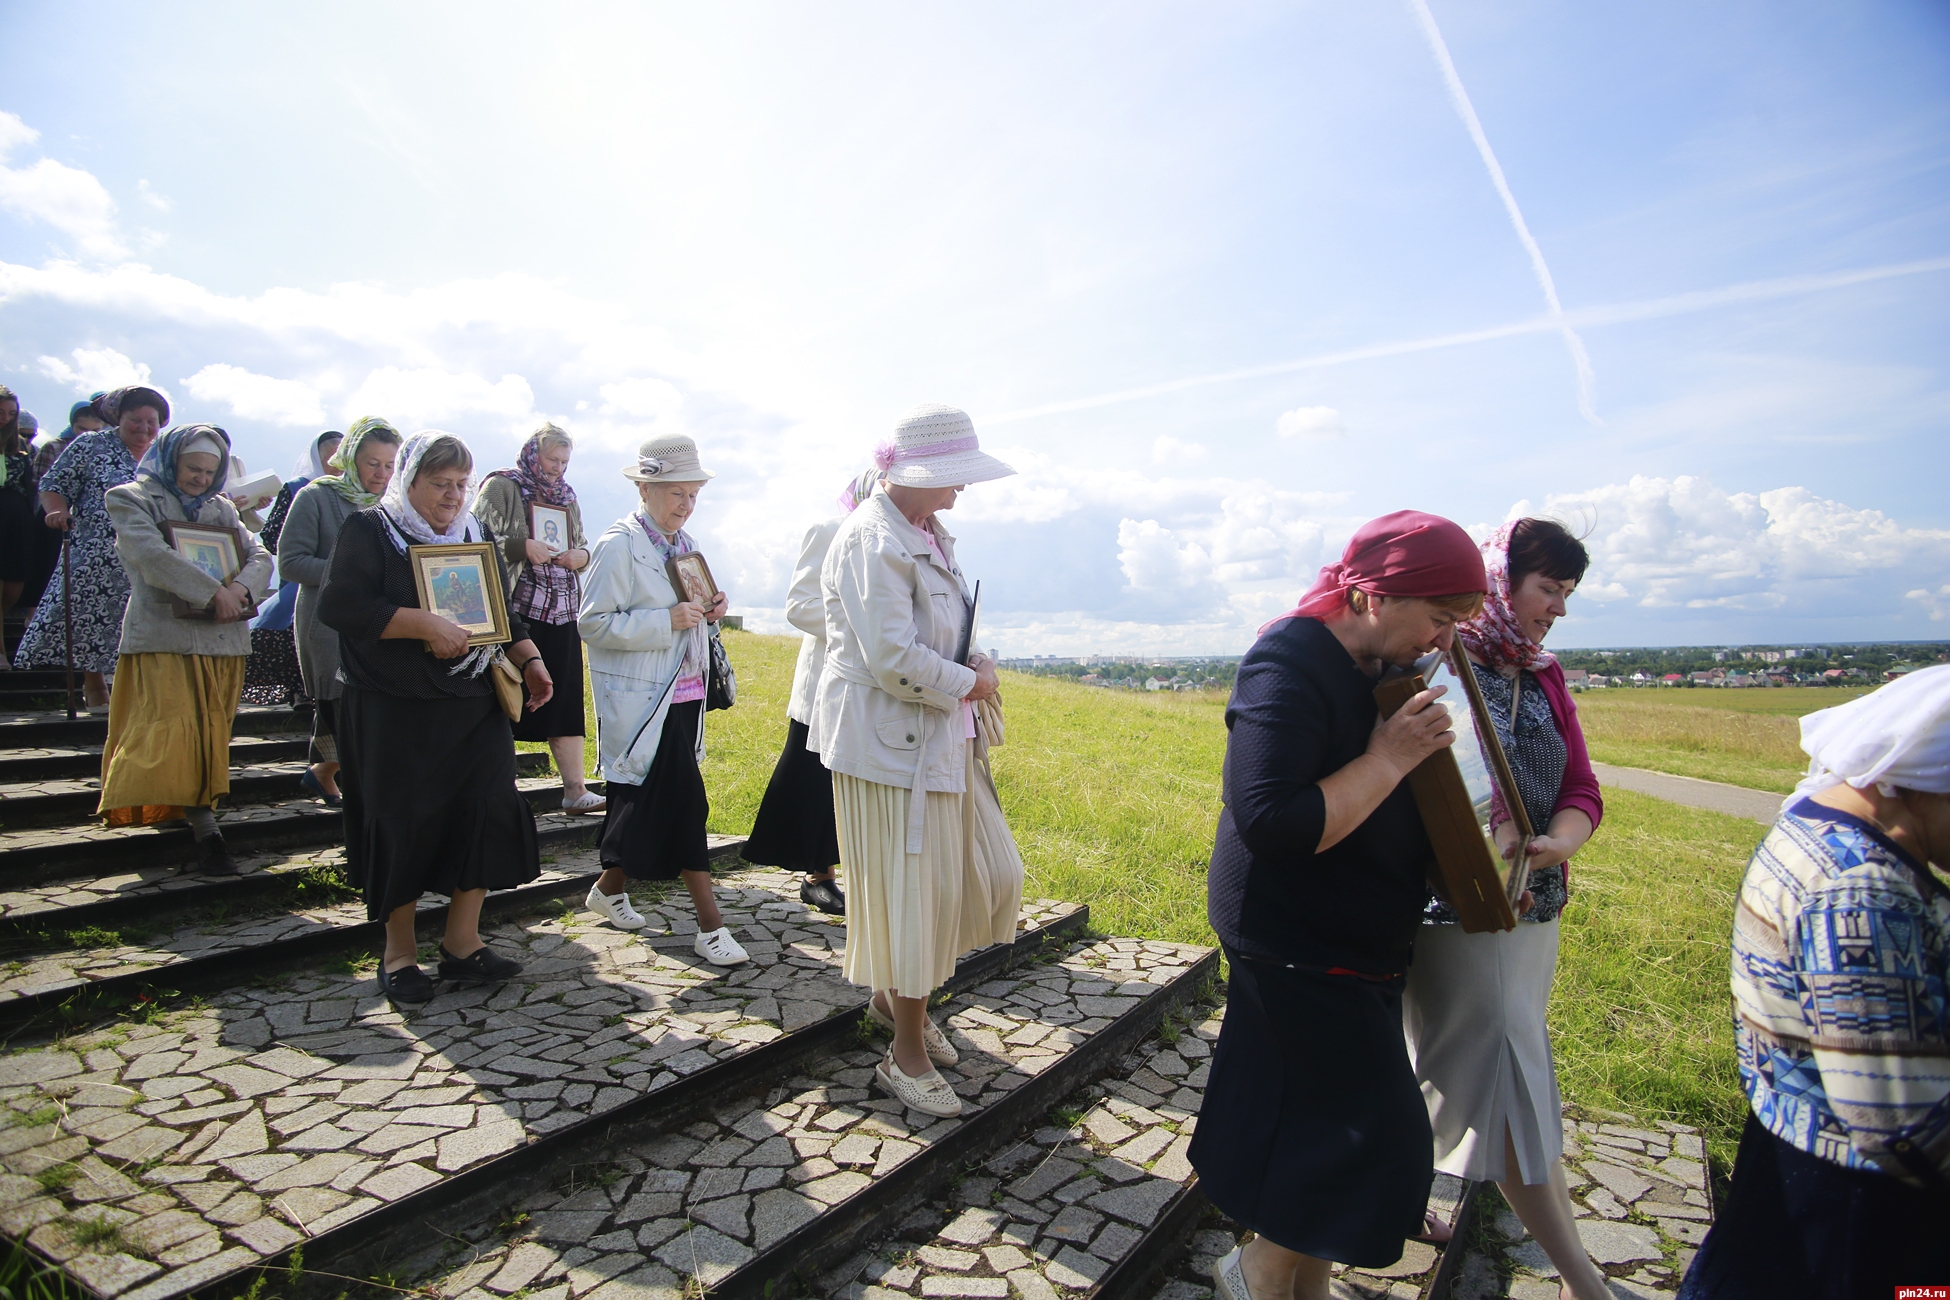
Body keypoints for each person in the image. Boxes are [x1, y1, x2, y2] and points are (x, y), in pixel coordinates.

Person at [1189, 510, 1487, 1300]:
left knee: (1320, 1133)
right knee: (1374, 1136)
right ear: (1371, 596)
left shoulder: (1376, 664)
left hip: (1359, 939)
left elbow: (1390, 806)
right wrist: (1391, 757)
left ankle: (1306, 1288)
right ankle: (1256, 1271)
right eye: (1441, 616)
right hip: (1294, 936)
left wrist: (1465, 869)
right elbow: (1275, 823)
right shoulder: (1287, 662)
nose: (1447, 638)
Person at [1677, 667, 1950, 1298]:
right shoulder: (1862, 889)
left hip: (1789, 1153)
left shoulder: (1817, 821)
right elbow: (1901, 1123)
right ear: (1925, 781)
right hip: (1856, 1212)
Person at [1399, 519, 1611, 1300]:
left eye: (1568, 593)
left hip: (1534, 913)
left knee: (1447, 1066)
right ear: (1501, 581)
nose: (1559, 608)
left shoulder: (1545, 675)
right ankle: (1583, 1280)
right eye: (1548, 588)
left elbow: (1582, 785)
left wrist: (1561, 841)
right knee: (1510, 1084)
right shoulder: (1435, 661)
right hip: (1455, 916)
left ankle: (1401, 1194)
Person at [809, 405, 1026, 1119]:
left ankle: (893, 1003)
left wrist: (975, 662)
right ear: (915, 472)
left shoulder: (925, 531)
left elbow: (942, 630)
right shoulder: (871, 540)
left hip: (935, 737)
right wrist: (972, 683)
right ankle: (904, 1052)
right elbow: (893, 659)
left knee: (975, 879)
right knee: (914, 897)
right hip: (888, 747)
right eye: (955, 475)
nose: (963, 488)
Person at [315, 431, 554, 1005]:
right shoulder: (371, 529)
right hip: (394, 708)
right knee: (403, 823)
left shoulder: (475, 534)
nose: (453, 495)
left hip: (472, 704)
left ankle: (462, 944)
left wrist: (531, 660)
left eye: (461, 484)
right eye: (440, 483)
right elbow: (340, 605)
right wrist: (422, 624)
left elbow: (501, 613)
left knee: (485, 811)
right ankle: (399, 954)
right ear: (410, 481)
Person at [577, 435, 749, 961]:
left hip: (684, 695)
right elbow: (592, 623)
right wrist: (664, 621)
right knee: (685, 805)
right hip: (643, 701)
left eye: (693, 494)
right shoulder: (617, 545)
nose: (686, 504)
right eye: (677, 492)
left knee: (650, 803)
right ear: (644, 489)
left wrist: (710, 610)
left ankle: (608, 889)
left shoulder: (684, 544)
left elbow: (690, 613)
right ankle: (710, 925)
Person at [99, 425, 273, 873]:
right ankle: (206, 830)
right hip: (165, 637)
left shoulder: (221, 507)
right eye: (192, 468)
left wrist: (238, 591)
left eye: (209, 471)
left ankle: (193, 810)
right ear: (170, 459)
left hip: (221, 639)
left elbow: (259, 555)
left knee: (210, 733)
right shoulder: (131, 497)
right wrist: (212, 592)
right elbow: (150, 554)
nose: (201, 478)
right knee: (173, 730)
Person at [740, 467, 881, 914]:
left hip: (879, 686)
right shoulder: (829, 530)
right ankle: (819, 875)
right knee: (815, 783)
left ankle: (870, 878)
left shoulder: (904, 541)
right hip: (828, 681)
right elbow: (800, 606)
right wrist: (866, 633)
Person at [14, 386, 169, 704]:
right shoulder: (92, 443)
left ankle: (138, 692)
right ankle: (95, 685)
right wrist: (56, 511)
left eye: (151, 421)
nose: (143, 428)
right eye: (135, 419)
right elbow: (54, 482)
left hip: (149, 552)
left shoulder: (164, 454)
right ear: (118, 418)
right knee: (91, 618)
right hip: (96, 551)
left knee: (143, 620)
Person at [477, 424, 600, 814]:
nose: (557, 468)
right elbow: (475, 540)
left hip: (562, 610)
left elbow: (581, 544)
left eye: (564, 461)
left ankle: (575, 790)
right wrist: (521, 546)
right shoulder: (501, 487)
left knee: (565, 698)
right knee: (506, 695)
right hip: (517, 609)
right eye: (551, 459)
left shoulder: (567, 496)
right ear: (533, 454)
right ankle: (495, 789)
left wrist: (581, 557)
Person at [280, 418, 401, 806]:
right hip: (328, 623)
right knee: (339, 703)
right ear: (349, 459)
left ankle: (324, 773)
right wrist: (351, 574)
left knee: (366, 706)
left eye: (389, 465)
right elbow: (291, 562)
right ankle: (349, 787)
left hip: (379, 623)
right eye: (372, 464)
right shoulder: (317, 497)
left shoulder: (393, 505)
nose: (381, 474)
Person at [241, 430, 343, 708]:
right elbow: (272, 535)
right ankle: (301, 690)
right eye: (329, 458)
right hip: (305, 575)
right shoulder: (299, 488)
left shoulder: (355, 493)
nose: (336, 465)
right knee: (291, 620)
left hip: (341, 578)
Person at [0, 389, 38, 653]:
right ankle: (1, 651)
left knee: (14, 587)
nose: (5, 418)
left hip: (16, 520)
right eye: (0, 412)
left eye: (11, 413)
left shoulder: (22, 446)